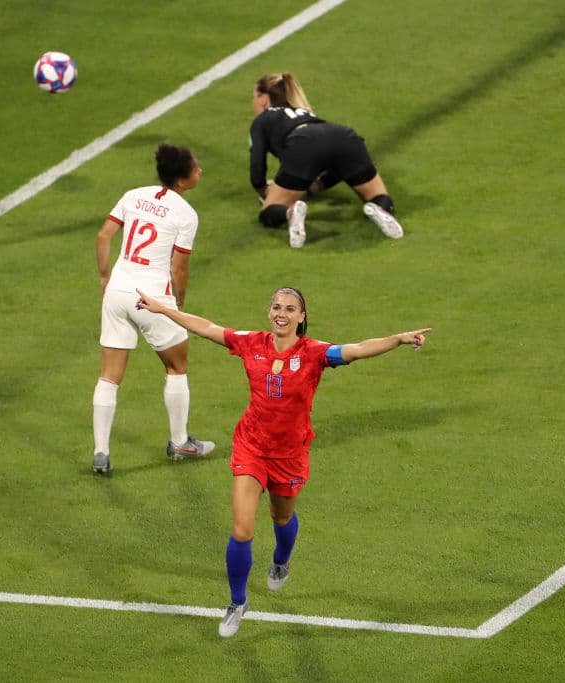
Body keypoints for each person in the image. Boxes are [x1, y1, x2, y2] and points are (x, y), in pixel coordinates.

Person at [134, 286, 431, 637]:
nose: (282, 313)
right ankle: (237, 601)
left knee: (281, 516)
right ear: (268, 311)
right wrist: (163, 310)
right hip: (251, 448)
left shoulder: (315, 353)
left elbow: (358, 350)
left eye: (291, 309)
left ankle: (280, 562)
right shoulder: (251, 343)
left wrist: (397, 339)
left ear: (301, 317)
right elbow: (207, 327)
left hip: (289, 455)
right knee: (242, 529)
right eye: (277, 306)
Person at [90, 144, 215, 475]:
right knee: (177, 365)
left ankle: (101, 451)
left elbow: (104, 236)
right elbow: (180, 268)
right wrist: (178, 306)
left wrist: (105, 277)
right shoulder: (186, 214)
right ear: (183, 177)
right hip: (152, 299)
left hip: (117, 292)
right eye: (196, 166)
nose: (200, 170)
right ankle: (180, 443)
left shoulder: (133, 195)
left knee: (109, 375)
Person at [248, 72, 405, 249]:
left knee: (267, 214)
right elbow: (337, 168)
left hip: (305, 143)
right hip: (345, 136)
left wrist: (263, 190)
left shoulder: (263, 119)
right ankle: (382, 210)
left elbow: (257, 166)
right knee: (378, 195)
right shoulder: (305, 113)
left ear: (263, 99)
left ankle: (290, 212)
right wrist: (314, 188)